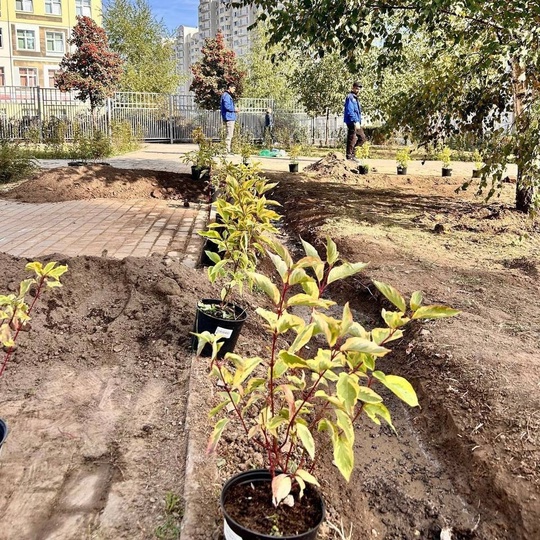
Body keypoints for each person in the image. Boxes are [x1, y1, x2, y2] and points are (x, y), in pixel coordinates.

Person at [343, 81, 367, 162]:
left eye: (359, 89)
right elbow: (350, 111)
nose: (358, 90)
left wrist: (358, 121)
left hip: (356, 121)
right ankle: (349, 156)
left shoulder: (355, 98)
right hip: (352, 121)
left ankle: (352, 154)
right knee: (352, 138)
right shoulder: (350, 97)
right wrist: (355, 121)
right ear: (352, 88)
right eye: (356, 88)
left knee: (362, 138)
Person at [220, 83, 237, 154]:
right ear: (229, 87)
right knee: (229, 134)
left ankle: (227, 149)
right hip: (229, 117)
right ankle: (227, 150)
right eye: (233, 88)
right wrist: (234, 109)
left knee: (229, 134)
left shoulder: (226, 95)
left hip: (229, 116)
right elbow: (227, 106)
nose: (234, 90)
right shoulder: (226, 96)